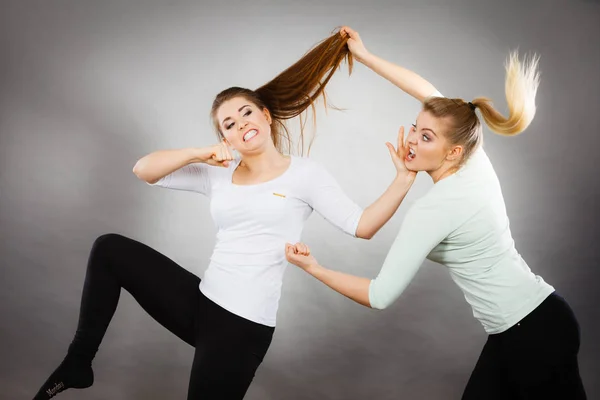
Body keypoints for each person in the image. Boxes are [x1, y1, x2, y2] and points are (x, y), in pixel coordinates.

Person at [32, 29, 417, 400]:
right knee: (109, 249)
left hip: (242, 326)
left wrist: (403, 179)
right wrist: (200, 153)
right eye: (229, 124)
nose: (241, 124)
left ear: (266, 116)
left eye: (246, 112)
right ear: (226, 138)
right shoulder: (218, 173)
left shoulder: (306, 174)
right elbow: (143, 170)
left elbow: (362, 226)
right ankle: (78, 363)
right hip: (201, 303)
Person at [285, 26, 587, 399]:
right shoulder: (472, 157)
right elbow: (428, 93)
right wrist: (364, 56)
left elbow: (379, 295)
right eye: (415, 128)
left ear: (452, 152)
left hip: (533, 332)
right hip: (530, 324)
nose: (412, 139)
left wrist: (314, 268)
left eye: (426, 137)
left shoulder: (434, 210)